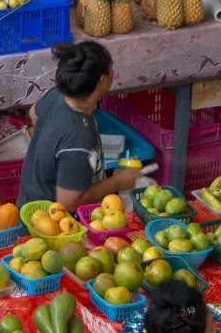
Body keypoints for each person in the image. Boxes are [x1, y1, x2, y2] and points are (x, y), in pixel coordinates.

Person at [19, 42, 145, 210]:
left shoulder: (57, 94)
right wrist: (117, 182)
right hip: (50, 225)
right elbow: (69, 202)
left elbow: (34, 113)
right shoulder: (78, 137)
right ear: (103, 80)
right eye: (111, 69)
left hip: (29, 200)